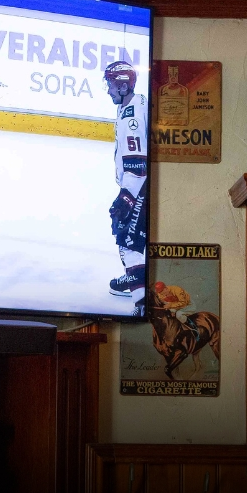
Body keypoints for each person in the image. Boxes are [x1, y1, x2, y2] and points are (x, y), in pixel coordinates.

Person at [103, 61, 148, 316]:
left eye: (110, 84)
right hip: (139, 184)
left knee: (128, 241)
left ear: (122, 85)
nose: (107, 90)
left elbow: (137, 163)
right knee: (132, 237)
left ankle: (142, 303)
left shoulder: (131, 115)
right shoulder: (133, 103)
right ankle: (134, 279)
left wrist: (127, 197)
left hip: (137, 185)